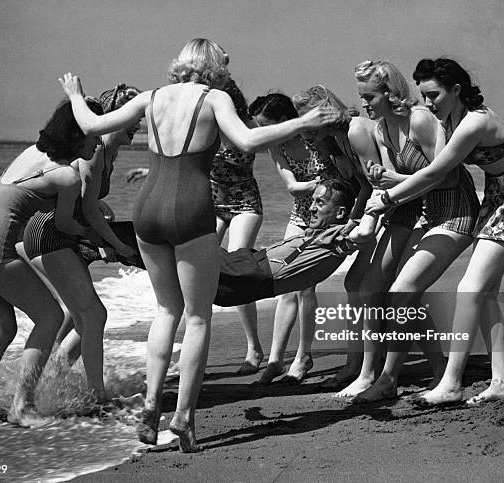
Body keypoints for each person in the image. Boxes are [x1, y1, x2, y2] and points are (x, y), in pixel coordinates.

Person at [59, 38, 340, 451]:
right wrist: (301, 123)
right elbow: (246, 141)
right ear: (213, 67)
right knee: (196, 317)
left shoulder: (151, 98)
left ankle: (152, 404)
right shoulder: (215, 98)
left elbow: (91, 126)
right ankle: (184, 418)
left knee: (165, 310)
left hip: (148, 207)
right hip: (192, 207)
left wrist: (74, 95)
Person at [365, 58, 504, 406]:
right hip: (497, 193)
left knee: (470, 287)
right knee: (486, 291)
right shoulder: (447, 118)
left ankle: (450, 382)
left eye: (434, 94)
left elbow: (436, 174)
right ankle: (501, 381)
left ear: (457, 90)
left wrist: (387, 196)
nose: (428, 102)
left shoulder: (475, 123)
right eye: (423, 95)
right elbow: (433, 168)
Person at [0, 98, 103, 426]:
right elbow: (63, 225)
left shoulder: (34, 153)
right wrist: (95, 233)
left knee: (1, 329)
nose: (98, 141)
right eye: (94, 135)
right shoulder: (67, 176)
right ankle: (22, 407)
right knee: (49, 317)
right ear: (77, 136)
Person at [335, 60, 481, 401]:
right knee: (404, 294)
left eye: (369, 97)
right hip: (423, 216)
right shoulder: (382, 129)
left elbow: (446, 174)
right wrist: (374, 205)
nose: (365, 104)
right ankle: (439, 372)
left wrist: (391, 185)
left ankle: (387, 378)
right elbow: (395, 187)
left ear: (390, 93)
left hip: (455, 212)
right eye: (362, 97)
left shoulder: (420, 120)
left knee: (401, 291)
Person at [20, 84, 142, 403]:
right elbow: (85, 209)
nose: (138, 121)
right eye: (132, 114)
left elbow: (86, 204)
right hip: (50, 233)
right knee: (93, 315)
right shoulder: (97, 148)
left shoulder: (108, 152)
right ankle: (96, 396)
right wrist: (115, 243)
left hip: (66, 233)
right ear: (114, 115)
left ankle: (49, 386)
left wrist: (104, 225)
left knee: (80, 316)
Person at [291, 86, 380, 390]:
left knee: (366, 286)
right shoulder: (332, 142)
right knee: (357, 285)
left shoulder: (352, 133)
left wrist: (352, 221)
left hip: (388, 211)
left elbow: (370, 183)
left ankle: (367, 369)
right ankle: (358, 365)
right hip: (371, 211)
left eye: (309, 121)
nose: (305, 129)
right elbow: (351, 186)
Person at [249, 92, 340, 384]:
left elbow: (337, 180)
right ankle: (275, 359)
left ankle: (303, 356)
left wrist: (319, 188)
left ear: (285, 120)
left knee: (305, 289)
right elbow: (292, 187)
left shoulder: (313, 138)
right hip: (300, 215)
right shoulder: (277, 148)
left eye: (265, 125)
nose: (262, 132)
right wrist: (320, 184)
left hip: (326, 218)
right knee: (284, 284)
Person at [215, 178, 376, 306]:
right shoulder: (323, 234)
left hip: (250, 274)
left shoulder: (336, 239)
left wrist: (381, 197)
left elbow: (364, 231)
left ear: (340, 213)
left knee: (196, 249)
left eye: (320, 202)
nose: (311, 208)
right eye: (313, 201)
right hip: (248, 268)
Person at [210, 78, 265, 375]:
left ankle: (254, 348)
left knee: (237, 265)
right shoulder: (206, 126)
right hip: (213, 203)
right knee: (198, 272)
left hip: (245, 202)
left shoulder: (248, 126)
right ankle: (196, 350)